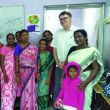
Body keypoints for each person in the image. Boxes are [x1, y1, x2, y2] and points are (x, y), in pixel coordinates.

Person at [66, 29, 104, 110]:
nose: (77, 39)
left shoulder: (91, 51)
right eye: (75, 37)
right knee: (72, 103)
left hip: (85, 79)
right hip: (72, 79)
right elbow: (67, 65)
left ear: (85, 37)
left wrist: (85, 83)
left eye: (79, 37)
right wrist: (63, 79)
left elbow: (95, 68)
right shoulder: (73, 49)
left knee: (85, 103)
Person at [50, 11, 79, 109]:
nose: (62, 21)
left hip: (74, 67)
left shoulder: (77, 31)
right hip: (60, 66)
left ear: (70, 18)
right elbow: (54, 49)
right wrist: (58, 62)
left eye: (65, 18)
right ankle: (57, 108)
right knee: (58, 88)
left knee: (73, 88)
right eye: (61, 19)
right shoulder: (57, 32)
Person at [14, 29, 38, 110]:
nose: (25, 37)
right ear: (20, 37)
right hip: (22, 73)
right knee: (24, 92)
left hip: (32, 72)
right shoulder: (18, 47)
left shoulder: (34, 47)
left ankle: (32, 107)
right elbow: (16, 61)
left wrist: (38, 72)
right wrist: (17, 75)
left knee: (32, 91)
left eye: (26, 35)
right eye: (23, 35)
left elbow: (37, 60)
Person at [0, 33, 16, 110]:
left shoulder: (16, 48)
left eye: (12, 38)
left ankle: (11, 107)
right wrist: (5, 74)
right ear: (7, 40)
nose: (11, 40)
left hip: (13, 74)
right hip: (5, 74)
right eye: (9, 39)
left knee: (12, 92)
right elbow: (1, 63)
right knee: (6, 92)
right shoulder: (4, 48)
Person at [37, 39, 54, 110]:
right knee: (38, 93)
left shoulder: (49, 54)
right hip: (37, 77)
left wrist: (49, 78)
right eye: (40, 44)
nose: (42, 45)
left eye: (44, 44)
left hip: (46, 76)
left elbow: (51, 67)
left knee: (44, 93)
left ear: (46, 45)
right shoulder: (36, 53)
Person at [43, 30, 55, 100]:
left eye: (48, 35)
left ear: (51, 35)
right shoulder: (44, 45)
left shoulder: (56, 43)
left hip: (55, 65)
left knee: (54, 81)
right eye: (45, 36)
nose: (47, 37)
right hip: (47, 66)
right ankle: (48, 99)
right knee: (47, 81)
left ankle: (54, 98)